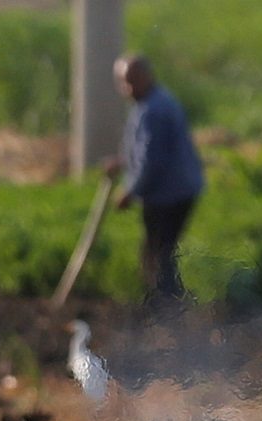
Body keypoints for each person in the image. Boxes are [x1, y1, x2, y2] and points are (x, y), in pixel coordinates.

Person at [102, 55, 204, 306]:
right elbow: (141, 148)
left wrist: (130, 191)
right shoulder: (148, 104)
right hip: (171, 190)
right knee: (157, 251)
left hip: (172, 193)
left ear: (146, 77)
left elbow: (153, 161)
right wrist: (123, 161)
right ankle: (164, 304)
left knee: (159, 253)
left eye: (132, 82)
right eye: (123, 83)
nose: (127, 89)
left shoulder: (154, 110)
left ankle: (167, 307)